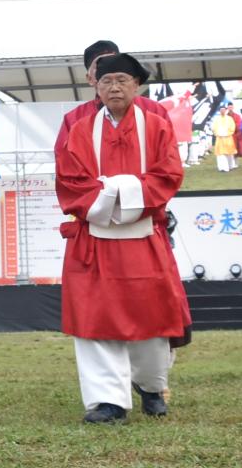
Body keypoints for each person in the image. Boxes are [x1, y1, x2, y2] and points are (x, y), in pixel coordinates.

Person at [54, 52, 190, 424]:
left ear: (137, 85)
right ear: (95, 86)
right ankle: (107, 400)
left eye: (122, 80)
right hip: (94, 238)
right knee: (94, 319)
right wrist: (116, 197)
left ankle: (151, 386)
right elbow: (69, 180)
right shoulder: (80, 130)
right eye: (106, 81)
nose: (114, 87)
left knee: (152, 313)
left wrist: (114, 191)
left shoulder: (157, 126)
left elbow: (169, 174)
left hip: (144, 234)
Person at [210, 106, 237, 173]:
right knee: (220, 154)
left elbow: (233, 127)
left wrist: (227, 133)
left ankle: (230, 166)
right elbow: (213, 128)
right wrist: (218, 133)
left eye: (224, 110)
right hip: (220, 139)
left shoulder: (229, 119)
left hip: (228, 138)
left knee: (229, 153)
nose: (222, 111)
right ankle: (223, 168)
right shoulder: (216, 119)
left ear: (226, 110)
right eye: (221, 110)